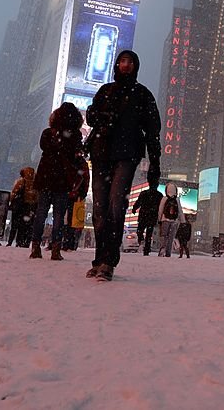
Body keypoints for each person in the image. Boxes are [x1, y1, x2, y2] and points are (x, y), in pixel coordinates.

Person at [84, 50, 162, 281]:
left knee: (116, 205)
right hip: (101, 154)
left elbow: (153, 130)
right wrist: (99, 115)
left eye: (130, 62)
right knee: (99, 209)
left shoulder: (142, 94)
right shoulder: (106, 90)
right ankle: (99, 259)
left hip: (127, 155)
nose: (126, 65)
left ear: (136, 66)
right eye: (123, 61)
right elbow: (91, 117)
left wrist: (155, 163)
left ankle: (109, 260)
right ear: (117, 64)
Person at [31, 103, 84, 260]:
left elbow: (44, 147)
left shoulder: (48, 133)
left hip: (45, 177)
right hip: (62, 179)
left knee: (41, 212)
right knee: (59, 216)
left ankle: (35, 247)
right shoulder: (75, 135)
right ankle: (56, 249)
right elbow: (77, 155)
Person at [132, 180, 163, 255]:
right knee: (149, 234)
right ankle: (146, 250)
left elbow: (138, 202)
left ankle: (142, 241)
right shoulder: (159, 195)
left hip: (143, 216)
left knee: (140, 231)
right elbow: (161, 208)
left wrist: (134, 208)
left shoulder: (144, 193)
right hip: (152, 217)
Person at [8, 167, 36, 248]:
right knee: (25, 226)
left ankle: (11, 241)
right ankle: (22, 242)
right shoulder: (35, 183)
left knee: (14, 225)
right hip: (29, 207)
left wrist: (11, 200)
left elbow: (14, 193)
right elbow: (37, 197)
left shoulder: (21, 181)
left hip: (19, 206)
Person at [157, 182, 185, 258]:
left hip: (164, 220)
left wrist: (159, 219)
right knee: (171, 238)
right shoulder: (177, 199)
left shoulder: (164, 198)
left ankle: (163, 248)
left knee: (164, 236)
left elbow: (160, 210)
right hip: (174, 221)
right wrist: (183, 221)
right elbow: (180, 210)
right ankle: (168, 253)